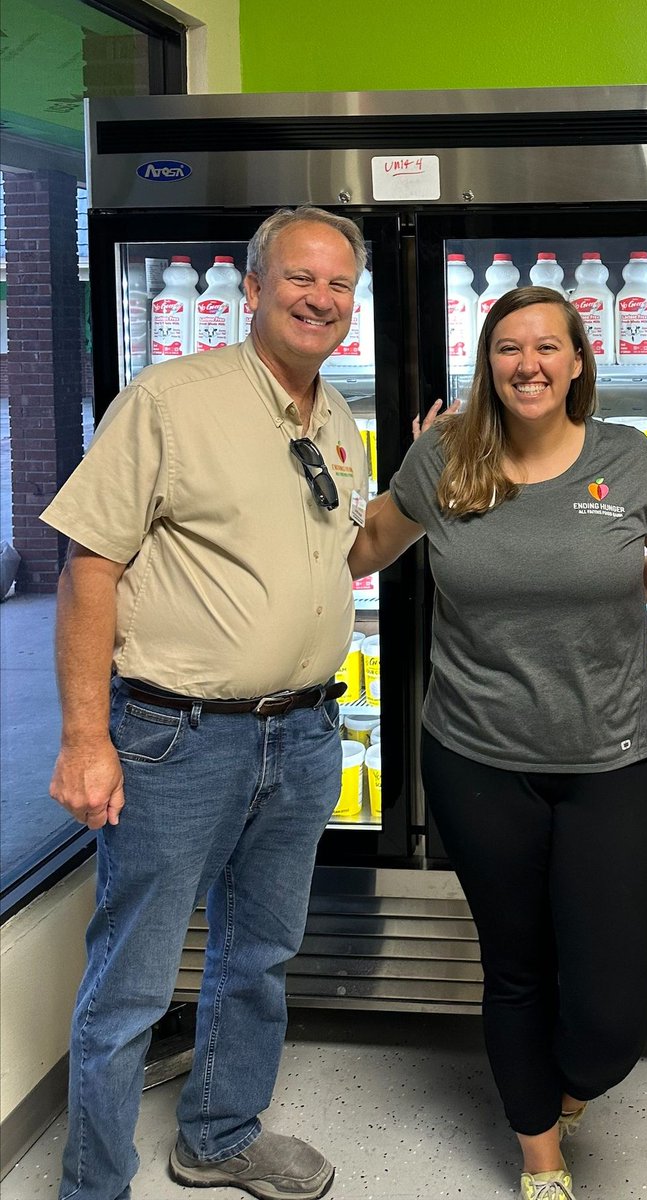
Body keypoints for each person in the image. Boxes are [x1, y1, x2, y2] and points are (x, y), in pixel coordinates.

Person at [349, 285, 647, 1200]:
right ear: (489, 364)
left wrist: (609, 584)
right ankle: (540, 1161)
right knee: (514, 965)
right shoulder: (446, 458)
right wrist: (396, 471)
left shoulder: (626, 461)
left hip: (611, 760)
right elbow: (358, 554)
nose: (529, 364)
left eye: (548, 347)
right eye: (509, 348)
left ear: (580, 361)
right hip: (476, 758)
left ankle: (573, 1081)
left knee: (609, 1019)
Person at [42, 205, 370, 1200]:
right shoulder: (171, 400)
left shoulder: (337, 416)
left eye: (338, 286)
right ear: (254, 287)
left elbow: (346, 556)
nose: (321, 298)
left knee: (260, 954)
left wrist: (426, 495)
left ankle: (220, 1134)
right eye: (301, 278)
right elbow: (89, 565)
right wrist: (85, 735)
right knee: (133, 980)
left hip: (305, 732)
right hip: (174, 737)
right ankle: (94, 1183)